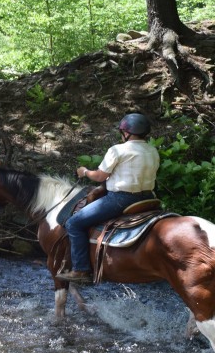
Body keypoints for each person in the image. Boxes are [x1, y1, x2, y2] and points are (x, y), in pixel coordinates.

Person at [57, 112, 160, 284]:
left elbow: (99, 176)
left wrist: (84, 172)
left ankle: (81, 270)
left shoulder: (118, 150)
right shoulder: (152, 150)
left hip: (121, 199)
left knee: (73, 224)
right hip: (148, 198)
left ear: (126, 132)